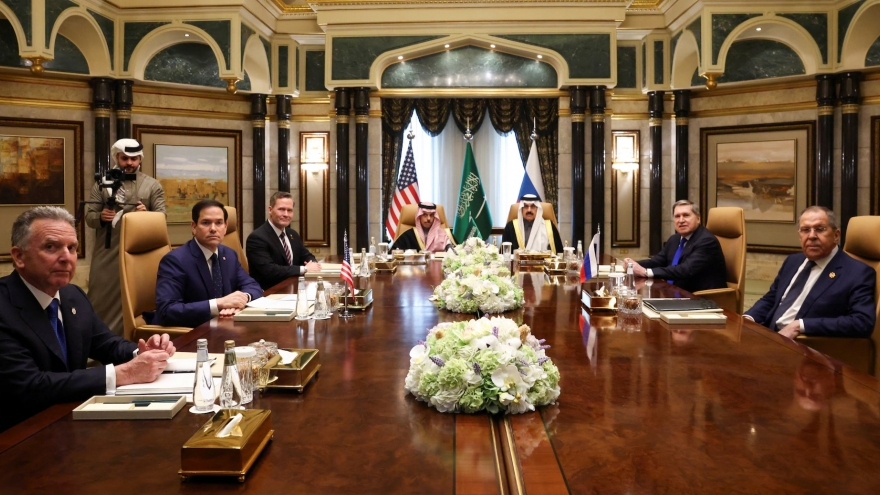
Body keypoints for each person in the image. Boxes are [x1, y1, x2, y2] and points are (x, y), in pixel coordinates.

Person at [0, 207, 175, 432]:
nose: (66, 258)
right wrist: (124, 373)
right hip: (20, 432)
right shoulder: (4, 307)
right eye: (51, 247)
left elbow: (106, 343)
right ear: (19, 256)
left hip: (69, 419)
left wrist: (141, 352)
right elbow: (31, 386)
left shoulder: (72, 295)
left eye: (72, 248)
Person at [744, 206, 875, 339]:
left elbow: (861, 322)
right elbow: (772, 299)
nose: (812, 236)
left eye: (820, 229)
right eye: (805, 230)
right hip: (768, 336)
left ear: (836, 235)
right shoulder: (792, 261)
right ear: (799, 236)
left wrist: (800, 325)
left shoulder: (857, 273)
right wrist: (748, 318)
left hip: (803, 344)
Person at [85, 138, 165, 337]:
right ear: (117, 158)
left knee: (138, 298)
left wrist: (146, 215)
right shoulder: (102, 184)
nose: (129, 163)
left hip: (140, 254)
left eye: (134, 158)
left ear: (140, 160)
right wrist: (101, 217)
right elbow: (89, 217)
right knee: (100, 297)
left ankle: (133, 342)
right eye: (125, 158)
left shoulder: (152, 185)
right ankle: (100, 344)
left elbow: (161, 218)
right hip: (108, 252)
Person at [155, 200, 263, 327]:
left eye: (219, 223)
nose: (213, 229)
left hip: (225, 325)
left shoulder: (229, 254)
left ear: (226, 227)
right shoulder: (176, 260)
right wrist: (218, 304)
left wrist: (241, 299)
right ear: (194, 227)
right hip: (193, 331)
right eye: (206, 223)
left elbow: (253, 286)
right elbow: (167, 310)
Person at [623, 199, 727, 293]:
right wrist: (633, 265)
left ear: (698, 218)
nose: (681, 220)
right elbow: (657, 261)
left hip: (700, 298)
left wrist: (645, 272)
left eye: (686, 215)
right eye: (677, 216)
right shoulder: (674, 239)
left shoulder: (707, 241)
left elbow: (685, 270)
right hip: (674, 292)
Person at [246, 191, 321, 290]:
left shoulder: (293, 234)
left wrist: (313, 264)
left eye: (289, 210)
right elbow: (270, 270)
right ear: (270, 210)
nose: (286, 214)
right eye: (281, 209)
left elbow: (307, 256)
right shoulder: (257, 238)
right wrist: (305, 268)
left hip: (294, 287)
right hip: (269, 292)